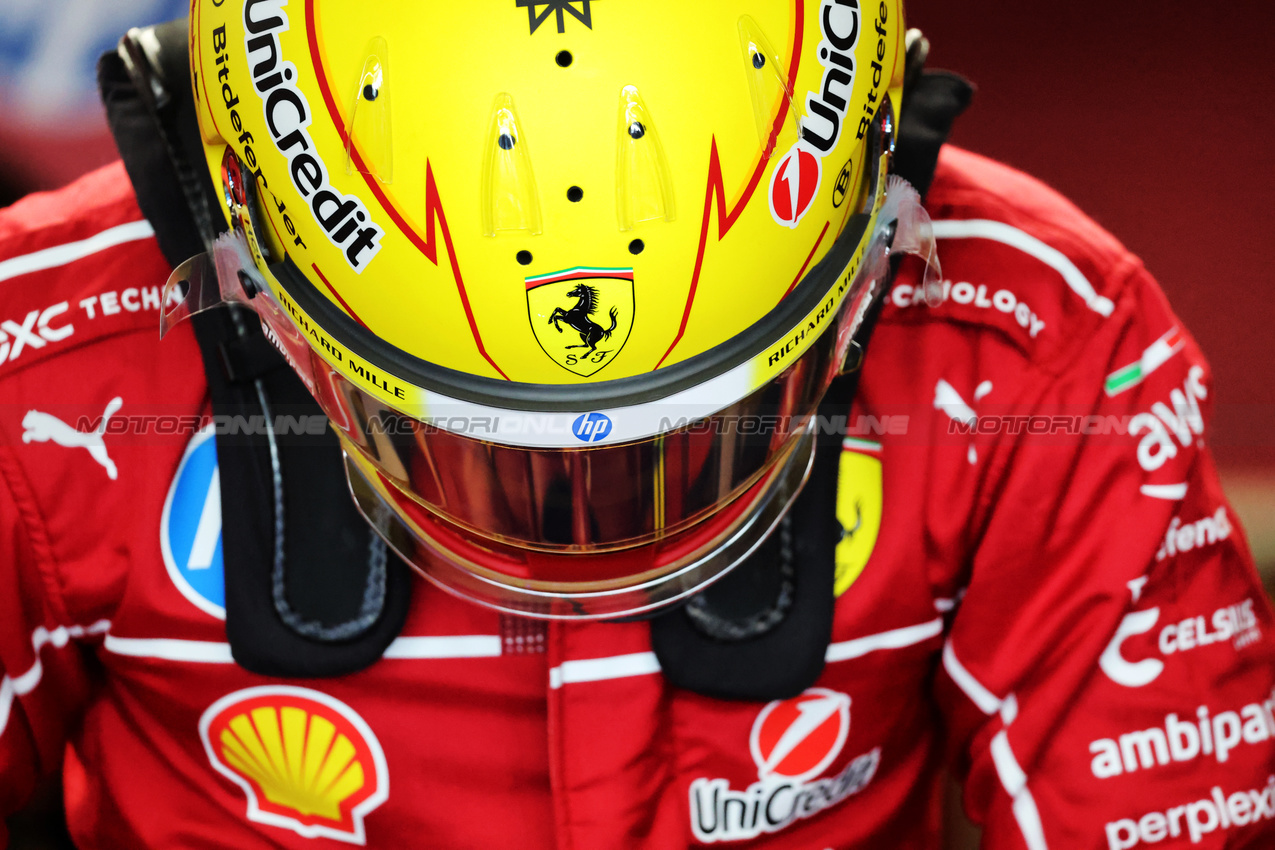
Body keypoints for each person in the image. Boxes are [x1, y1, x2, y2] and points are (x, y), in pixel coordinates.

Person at [2, 2, 1272, 847]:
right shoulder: (40, 360)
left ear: (879, 216)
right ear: (249, 269)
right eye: (466, 428)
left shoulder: (1043, 339)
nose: (580, 504)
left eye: (704, 417)